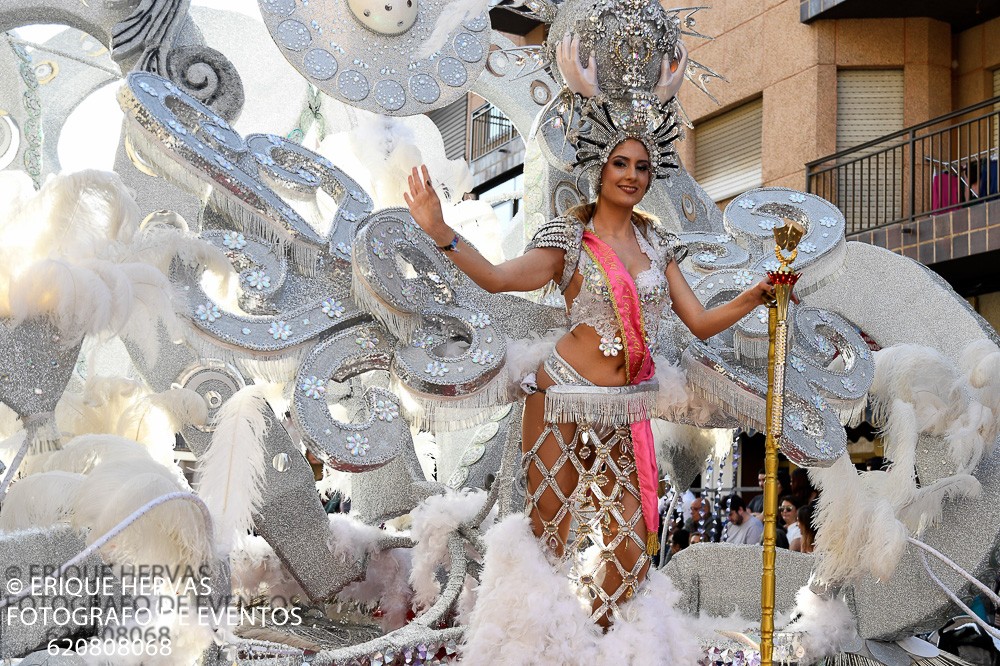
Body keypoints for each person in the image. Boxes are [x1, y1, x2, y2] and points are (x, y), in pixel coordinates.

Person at [404, 147, 774, 621]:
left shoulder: (657, 244)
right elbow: (496, 279)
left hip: (623, 410)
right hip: (561, 398)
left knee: (632, 546)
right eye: (621, 164)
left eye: (642, 167)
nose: (632, 175)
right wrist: (440, 231)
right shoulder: (571, 238)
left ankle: (596, 641)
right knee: (550, 539)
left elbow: (699, 322)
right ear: (598, 171)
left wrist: (754, 296)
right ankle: (539, 643)